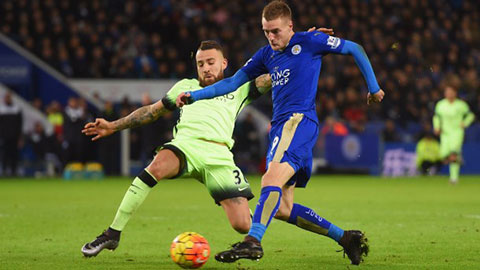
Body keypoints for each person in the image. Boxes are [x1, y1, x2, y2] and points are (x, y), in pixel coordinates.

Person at [176, 1, 384, 265]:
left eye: (275, 31)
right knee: (283, 209)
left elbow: (355, 47)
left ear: (290, 26)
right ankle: (345, 238)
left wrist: (374, 88)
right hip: (280, 127)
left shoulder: (310, 41)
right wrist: (195, 95)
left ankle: (253, 242)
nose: (271, 37)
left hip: (298, 122)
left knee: (269, 180)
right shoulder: (266, 55)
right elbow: (231, 82)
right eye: (266, 31)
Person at [80, 40, 274, 257]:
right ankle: (112, 233)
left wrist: (300, 46)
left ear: (224, 63)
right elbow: (151, 112)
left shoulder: (240, 87)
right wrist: (113, 126)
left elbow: (273, 76)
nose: (206, 68)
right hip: (185, 146)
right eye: (201, 64)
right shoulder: (185, 87)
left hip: (219, 156)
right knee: (156, 166)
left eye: (211, 62)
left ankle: (249, 215)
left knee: (242, 225)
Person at [433, 85, 475, 184]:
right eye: (447, 92)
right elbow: (436, 117)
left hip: (457, 132)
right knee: (443, 154)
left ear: (455, 93)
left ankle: (454, 178)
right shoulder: (440, 104)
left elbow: (470, 115)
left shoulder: (461, 105)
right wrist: (437, 127)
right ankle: (458, 158)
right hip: (445, 133)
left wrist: (465, 123)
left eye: (451, 92)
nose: (449, 94)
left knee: (453, 154)